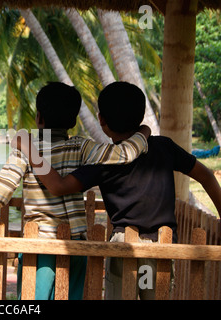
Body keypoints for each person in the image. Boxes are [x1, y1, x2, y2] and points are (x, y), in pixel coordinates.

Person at [13, 81, 221, 299]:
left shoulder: (104, 160)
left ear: (102, 121)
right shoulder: (164, 147)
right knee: (152, 294)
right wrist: (145, 130)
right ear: (140, 116)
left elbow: (58, 186)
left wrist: (29, 148)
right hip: (160, 247)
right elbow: (206, 176)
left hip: (123, 250)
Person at [0, 81, 150, 300]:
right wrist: (144, 131)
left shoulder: (26, 149)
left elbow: (1, 191)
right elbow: (125, 154)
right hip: (76, 247)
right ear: (73, 121)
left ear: (39, 118)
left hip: (39, 246)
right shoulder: (82, 147)